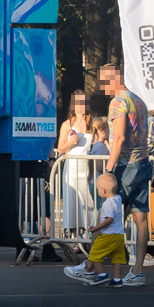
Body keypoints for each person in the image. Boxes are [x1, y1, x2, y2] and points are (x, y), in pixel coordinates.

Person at [100, 63, 151, 285]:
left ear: (114, 78)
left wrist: (109, 168)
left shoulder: (117, 102)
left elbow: (119, 137)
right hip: (142, 163)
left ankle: (93, 266)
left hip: (126, 165)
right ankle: (137, 270)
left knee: (107, 212)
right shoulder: (139, 100)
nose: (102, 87)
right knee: (141, 218)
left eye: (104, 81)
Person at [69, 173, 128, 287]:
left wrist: (97, 228)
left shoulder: (108, 203)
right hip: (119, 235)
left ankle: (102, 275)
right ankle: (117, 280)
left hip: (108, 235)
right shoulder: (118, 198)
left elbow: (109, 219)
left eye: (98, 189)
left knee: (94, 254)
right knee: (117, 257)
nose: (98, 192)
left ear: (103, 190)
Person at [58, 90, 92, 231]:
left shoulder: (92, 122)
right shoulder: (67, 124)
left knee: (88, 203)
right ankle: (76, 238)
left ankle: (88, 236)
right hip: (72, 169)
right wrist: (70, 142)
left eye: (84, 101)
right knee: (73, 203)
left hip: (88, 168)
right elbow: (60, 149)